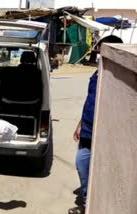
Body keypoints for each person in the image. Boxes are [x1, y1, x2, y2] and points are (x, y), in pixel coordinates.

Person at [69, 37, 121, 214]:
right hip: (87, 131)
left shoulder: (117, 77)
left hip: (104, 133)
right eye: (97, 51)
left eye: (100, 51)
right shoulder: (97, 73)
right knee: (82, 164)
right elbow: (90, 101)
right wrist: (80, 124)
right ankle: (87, 204)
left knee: (103, 172)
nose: (97, 55)